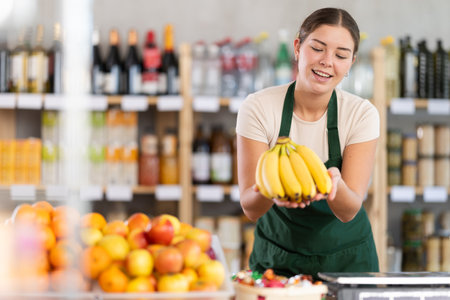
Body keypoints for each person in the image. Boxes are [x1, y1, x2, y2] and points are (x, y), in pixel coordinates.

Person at [236, 7, 380, 278]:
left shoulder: (361, 114)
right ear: (298, 48)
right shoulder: (258, 107)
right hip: (277, 261)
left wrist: (335, 186)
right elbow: (250, 208)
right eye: (318, 48)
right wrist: (272, 188)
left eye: (340, 55)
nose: (327, 61)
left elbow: (350, 210)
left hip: (348, 262)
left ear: (351, 63)